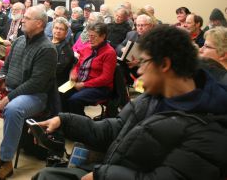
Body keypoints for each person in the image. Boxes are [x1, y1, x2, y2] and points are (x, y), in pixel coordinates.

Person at [33, 25, 227, 180]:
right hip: (112, 168)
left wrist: (102, 175)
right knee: (46, 175)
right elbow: (114, 129)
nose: (139, 71)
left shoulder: (209, 128)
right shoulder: (151, 97)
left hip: (112, 173)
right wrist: (64, 121)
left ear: (165, 65)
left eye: (143, 62)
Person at [0, 5, 57, 179]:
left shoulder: (47, 49)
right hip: (10, 89)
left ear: (39, 23)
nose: (22, 20)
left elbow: (36, 83)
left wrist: (9, 98)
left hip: (35, 96)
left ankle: (5, 160)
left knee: (13, 109)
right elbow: (5, 67)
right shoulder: (19, 41)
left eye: (27, 18)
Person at [65, 22, 116, 115]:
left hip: (100, 87)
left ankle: (83, 125)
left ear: (103, 36)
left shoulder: (109, 52)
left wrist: (84, 84)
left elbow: (106, 78)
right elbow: (78, 65)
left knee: (74, 100)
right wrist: (74, 73)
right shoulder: (87, 48)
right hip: (81, 82)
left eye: (94, 36)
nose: (90, 39)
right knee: (61, 94)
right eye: (89, 36)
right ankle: (67, 121)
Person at [52, 17, 75, 88]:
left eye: (61, 29)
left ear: (66, 32)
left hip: (56, 83)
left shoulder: (66, 49)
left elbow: (58, 70)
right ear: (52, 29)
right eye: (56, 28)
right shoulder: (47, 42)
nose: (58, 31)